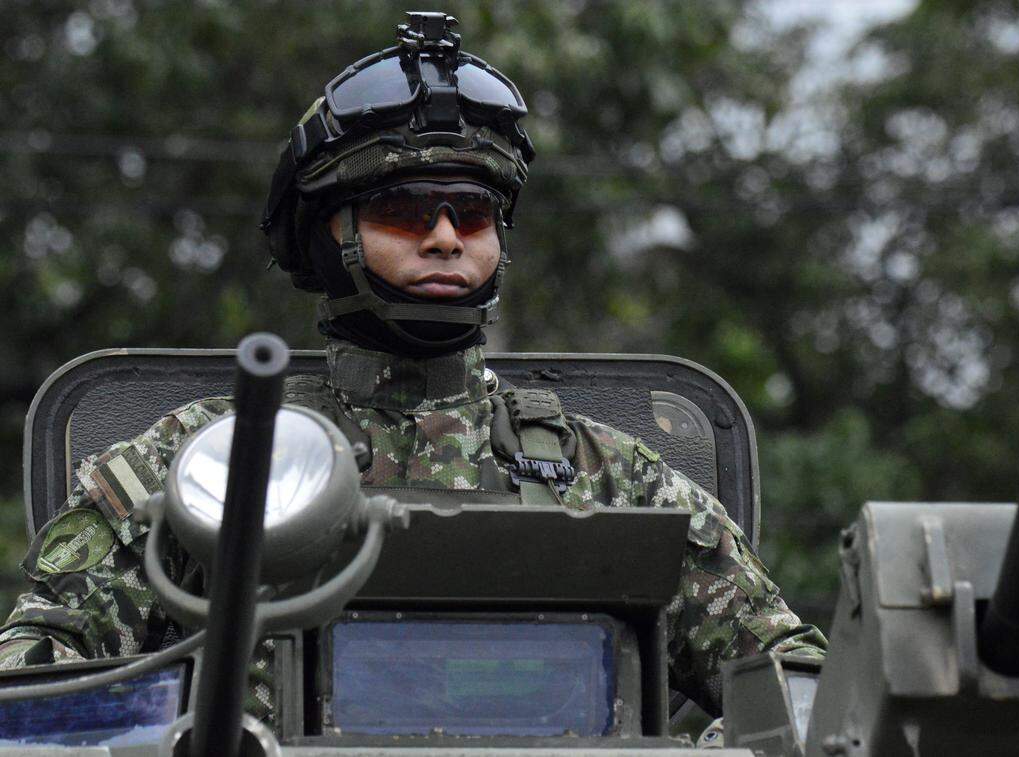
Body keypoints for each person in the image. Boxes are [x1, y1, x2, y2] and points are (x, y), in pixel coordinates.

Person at [0, 11, 825, 730]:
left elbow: (804, 691)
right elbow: (36, 684)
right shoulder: (202, 463)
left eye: (470, 213)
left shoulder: (613, 478)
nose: (443, 238)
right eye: (404, 211)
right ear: (330, 235)